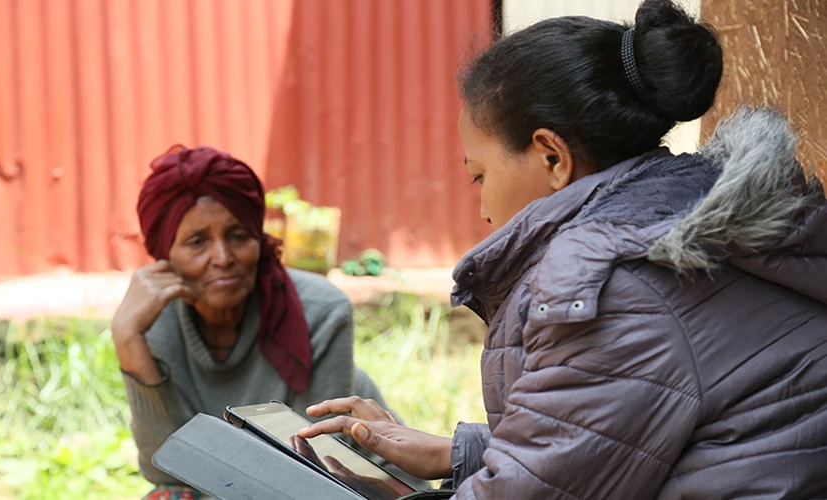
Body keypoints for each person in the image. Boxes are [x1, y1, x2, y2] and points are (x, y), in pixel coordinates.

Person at [299, 0, 827, 498]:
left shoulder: (621, 288)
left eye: (479, 175)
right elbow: (625, 436)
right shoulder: (675, 220)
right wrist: (455, 453)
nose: (483, 209)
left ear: (553, 158)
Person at [111, 145, 421, 499]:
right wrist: (128, 340)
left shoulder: (320, 310)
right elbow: (165, 471)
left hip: (359, 484)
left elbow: (317, 469)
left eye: (238, 235)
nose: (223, 258)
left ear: (258, 238)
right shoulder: (153, 323)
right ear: (165, 257)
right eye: (197, 242)